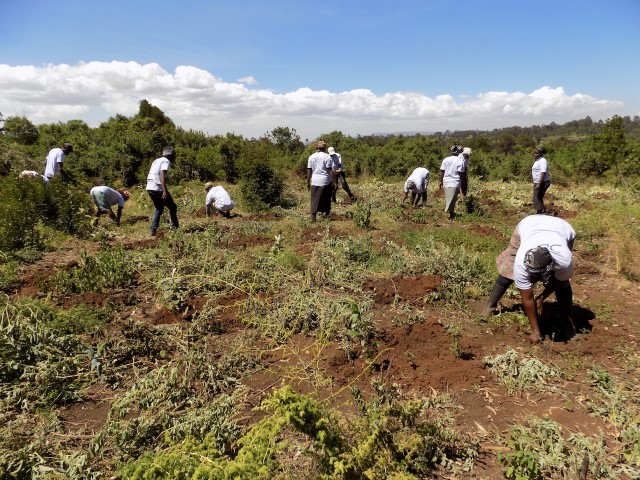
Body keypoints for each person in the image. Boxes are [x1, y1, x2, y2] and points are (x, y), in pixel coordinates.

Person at [481, 215, 577, 344]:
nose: (533, 278)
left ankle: (567, 324)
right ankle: (489, 307)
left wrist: (542, 297)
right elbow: (527, 297)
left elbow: (560, 280)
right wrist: (535, 331)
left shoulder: (563, 260)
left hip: (562, 229)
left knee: (562, 284)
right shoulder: (521, 261)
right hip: (528, 225)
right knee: (509, 270)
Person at [146, 146, 179, 236]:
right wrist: (164, 190)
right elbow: (162, 173)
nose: (174, 158)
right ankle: (175, 228)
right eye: (174, 156)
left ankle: (153, 229)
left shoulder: (156, 160)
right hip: (158, 188)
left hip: (150, 187)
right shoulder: (166, 161)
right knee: (172, 207)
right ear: (171, 155)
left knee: (159, 208)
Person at [306, 140, 335, 222]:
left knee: (314, 199)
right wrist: (334, 182)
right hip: (325, 181)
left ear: (317, 147)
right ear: (325, 148)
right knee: (326, 198)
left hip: (314, 181)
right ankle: (326, 213)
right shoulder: (327, 156)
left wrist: (308, 182)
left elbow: (309, 170)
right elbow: (330, 170)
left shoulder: (311, 157)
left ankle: (313, 216)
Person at [439, 145, 466, 218]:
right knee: (453, 198)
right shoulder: (460, 161)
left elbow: (442, 172)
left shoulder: (445, 159)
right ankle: (449, 212)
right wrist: (463, 183)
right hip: (455, 181)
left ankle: (449, 212)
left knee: (449, 197)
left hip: (446, 181)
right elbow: (461, 173)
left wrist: (441, 181)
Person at [532, 146, 551, 214]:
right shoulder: (538, 160)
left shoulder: (542, 161)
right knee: (538, 197)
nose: (535, 154)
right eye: (535, 153)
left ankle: (539, 213)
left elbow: (543, 173)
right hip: (538, 182)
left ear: (541, 154)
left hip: (543, 182)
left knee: (537, 198)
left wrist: (539, 184)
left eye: (537, 153)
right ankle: (541, 211)